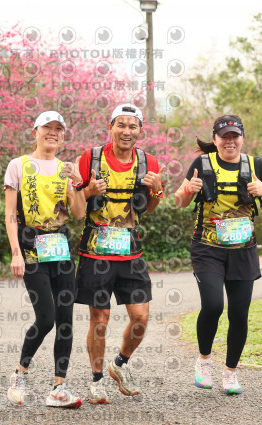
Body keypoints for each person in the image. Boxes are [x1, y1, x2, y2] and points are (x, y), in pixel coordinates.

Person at [174, 114, 262, 394]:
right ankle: (204, 361)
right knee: (213, 305)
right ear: (215, 139)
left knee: (239, 314)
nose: (230, 141)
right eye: (224, 136)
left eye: (234, 136)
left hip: (243, 250)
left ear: (242, 138)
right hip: (208, 249)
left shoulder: (254, 165)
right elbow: (179, 201)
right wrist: (189, 190)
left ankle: (230, 373)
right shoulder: (202, 164)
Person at [74, 103, 165, 404]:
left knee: (141, 318)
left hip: (130, 250)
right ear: (110, 127)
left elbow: (150, 208)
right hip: (96, 252)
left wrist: (156, 190)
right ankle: (96, 380)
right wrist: (88, 191)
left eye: (133, 126)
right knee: (99, 320)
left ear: (140, 130)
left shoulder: (149, 162)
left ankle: (120, 364)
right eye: (121, 125)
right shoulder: (90, 158)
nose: (127, 131)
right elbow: (74, 206)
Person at [3, 111, 86, 408]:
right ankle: (20, 373)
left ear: (63, 136)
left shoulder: (66, 169)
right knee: (46, 318)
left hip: (60, 251)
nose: (52, 132)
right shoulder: (18, 165)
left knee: (65, 320)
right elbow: (10, 214)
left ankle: (59, 388)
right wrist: (15, 252)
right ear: (35, 132)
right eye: (47, 127)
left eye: (58, 129)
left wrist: (77, 183)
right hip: (31, 251)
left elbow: (79, 214)